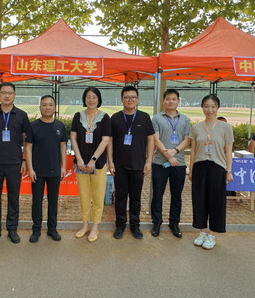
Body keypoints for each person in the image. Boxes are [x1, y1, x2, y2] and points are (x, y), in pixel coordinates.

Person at [0, 82, 30, 245]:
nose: (7, 95)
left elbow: (26, 140)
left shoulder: (21, 115)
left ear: (14, 95)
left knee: (13, 197)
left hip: (15, 163)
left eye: (10, 93)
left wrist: (24, 160)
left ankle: (12, 229)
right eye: (4, 92)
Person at [108, 85, 154, 240]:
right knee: (120, 197)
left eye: (133, 97)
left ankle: (135, 226)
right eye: (127, 97)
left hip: (138, 165)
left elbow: (150, 139)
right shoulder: (115, 118)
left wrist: (149, 161)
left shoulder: (144, 117)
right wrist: (110, 161)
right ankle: (120, 225)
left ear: (137, 100)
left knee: (135, 197)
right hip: (119, 165)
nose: (130, 100)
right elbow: (110, 141)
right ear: (122, 100)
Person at [188, 94, 234, 250]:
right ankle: (202, 232)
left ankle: (212, 234)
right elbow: (193, 151)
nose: (210, 110)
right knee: (199, 200)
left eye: (213, 106)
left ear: (218, 108)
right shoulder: (196, 128)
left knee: (216, 201)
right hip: (200, 167)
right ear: (202, 107)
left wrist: (228, 171)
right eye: (206, 106)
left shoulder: (226, 127)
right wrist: (191, 169)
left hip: (217, 168)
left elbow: (228, 152)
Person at [70, 87, 111, 243]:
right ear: (84, 99)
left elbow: (105, 140)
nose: (91, 100)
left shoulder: (104, 117)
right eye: (88, 97)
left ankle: (95, 226)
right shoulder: (78, 116)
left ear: (98, 99)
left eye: (94, 97)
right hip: (81, 164)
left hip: (97, 164)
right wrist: (79, 159)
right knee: (84, 194)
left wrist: (93, 160)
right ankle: (85, 224)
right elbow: (73, 138)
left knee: (98, 195)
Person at [25, 95, 67, 243]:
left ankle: (52, 229)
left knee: (53, 201)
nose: (47, 107)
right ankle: (36, 230)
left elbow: (63, 146)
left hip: (55, 170)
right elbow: (28, 147)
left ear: (54, 107)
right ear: (40, 107)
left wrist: (63, 167)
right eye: (44, 105)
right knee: (37, 201)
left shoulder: (60, 126)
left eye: (50, 105)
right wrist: (30, 169)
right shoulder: (33, 126)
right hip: (37, 171)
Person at [150, 89, 191, 238]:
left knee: (176, 195)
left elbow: (187, 139)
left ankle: (174, 223)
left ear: (178, 101)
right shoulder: (156, 118)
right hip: (159, 163)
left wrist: (175, 151)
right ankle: (157, 223)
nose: (171, 101)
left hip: (178, 163)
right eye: (168, 99)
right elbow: (155, 139)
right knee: (157, 195)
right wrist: (168, 156)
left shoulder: (185, 119)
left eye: (174, 99)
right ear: (163, 101)